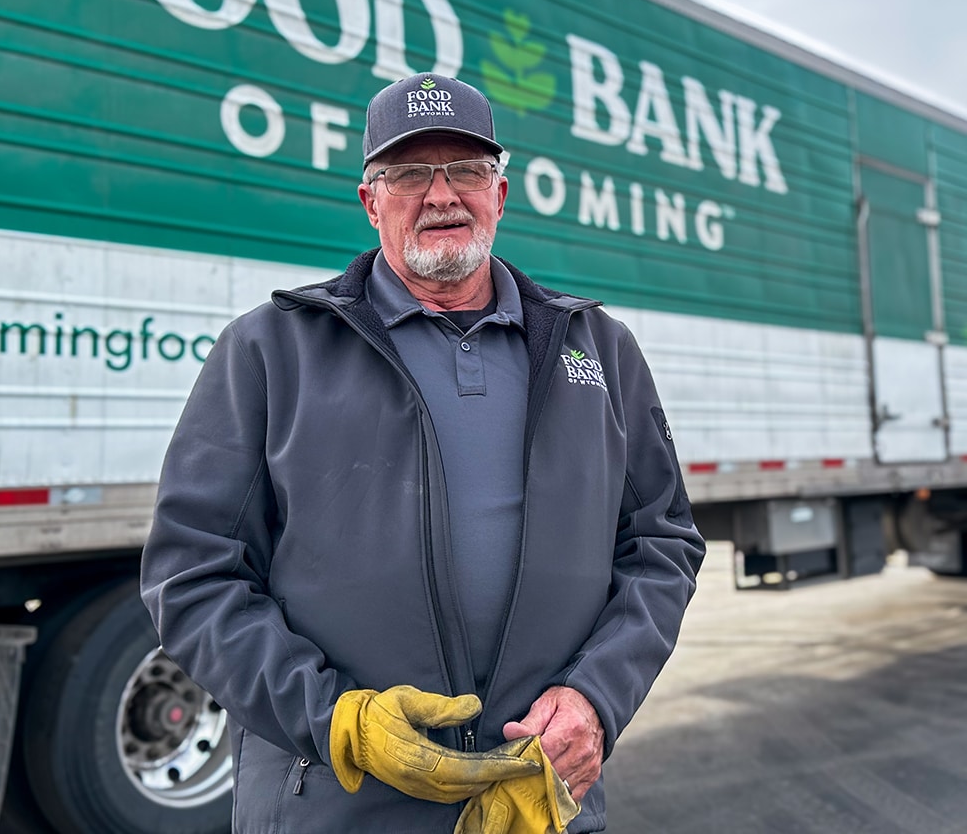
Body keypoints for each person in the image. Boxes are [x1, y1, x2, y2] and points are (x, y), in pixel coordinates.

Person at [140, 72, 705, 833]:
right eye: (409, 174)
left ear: (499, 194)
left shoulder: (597, 349)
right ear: (371, 201)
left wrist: (596, 700)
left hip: (537, 803)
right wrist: (336, 720)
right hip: (333, 809)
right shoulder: (270, 351)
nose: (442, 195)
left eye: (467, 171)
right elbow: (194, 572)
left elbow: (661, 542)